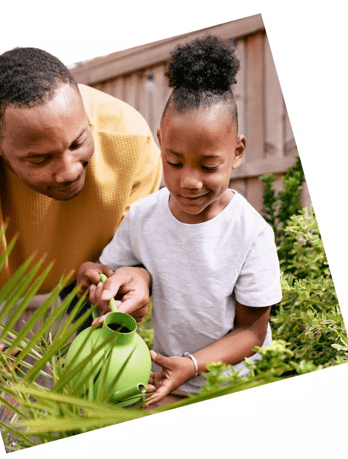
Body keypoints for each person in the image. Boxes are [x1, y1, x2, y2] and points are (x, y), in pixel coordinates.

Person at [77, 35, 283, 407]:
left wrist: (192, 364)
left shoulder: (251, 234)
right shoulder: (143, 215)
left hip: (236, 386)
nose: (189, 181)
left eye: (208, 166)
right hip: (165, 381)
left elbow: (252, 331)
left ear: (237, 152)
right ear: (159, 143)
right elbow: (116, 267)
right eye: (174, 162)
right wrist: (96, 275)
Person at [0, 47, 161, 323]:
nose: (69, 172)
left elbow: (135, 252)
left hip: (92, 270)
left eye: (78, 143)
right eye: (40, 158)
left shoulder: (131, 139)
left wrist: (136, 274)